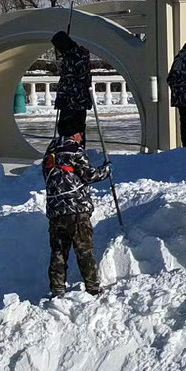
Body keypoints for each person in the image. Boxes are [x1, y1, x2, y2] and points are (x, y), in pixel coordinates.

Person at [42, 120, 110, 297]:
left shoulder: (50, 153)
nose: (82, 138)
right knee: (84, 249)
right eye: (81, 134)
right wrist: (106, 170)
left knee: (58, 252)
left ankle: (57, 289)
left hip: (55, 210)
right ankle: (92, 287)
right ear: (75, 134)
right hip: (76, 209)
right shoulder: (75, 151)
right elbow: (89, 175)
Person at [50, 30, 92, 122]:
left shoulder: (76, 57)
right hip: (69, 99)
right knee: (67, 128)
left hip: (75, 99)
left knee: (72, 128)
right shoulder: (69, 57)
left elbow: (83, 77)